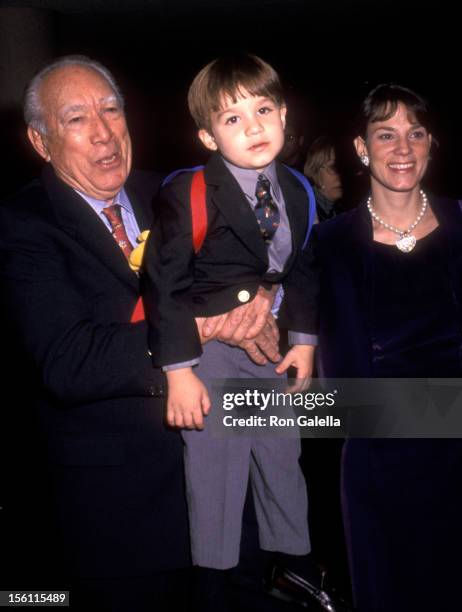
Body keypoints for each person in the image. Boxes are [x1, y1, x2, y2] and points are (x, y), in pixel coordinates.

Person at [0, 54, 281, 612]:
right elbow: (68, 361)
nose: (104, 133)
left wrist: (260, 304)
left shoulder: (177, 192)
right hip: (119, 521)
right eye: (77, 119)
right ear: (41, 141)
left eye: (111, 111)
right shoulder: (21, 224)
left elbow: (251, 275)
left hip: (228, 492)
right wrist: (196, 327)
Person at [142, 53, 337, 612]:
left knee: (282, 457)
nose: (253, 126)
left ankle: (294, 568)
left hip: (269, 350)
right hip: (210, 353)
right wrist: (178, 372)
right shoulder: (188, 192)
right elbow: (165, 284)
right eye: (232, 118)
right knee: (216, 471)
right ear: (206, 135)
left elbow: (303, 269)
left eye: (263, 108)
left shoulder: (298, 189)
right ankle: (212, 583)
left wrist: (303, 341)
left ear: (283, 114)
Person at [312, 83, 462, 611]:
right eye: (386, 134)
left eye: (415, 133)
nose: (402, 149)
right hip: (379, 468)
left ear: (431, 143)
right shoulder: (327, 245)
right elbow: (337, 395)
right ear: (360, 148)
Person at [303, 135, 343, 222]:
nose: (341, 175)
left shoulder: (343, 210)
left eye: (344, 167)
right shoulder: (304, 211)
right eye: (334, 167)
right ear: (315, 171)